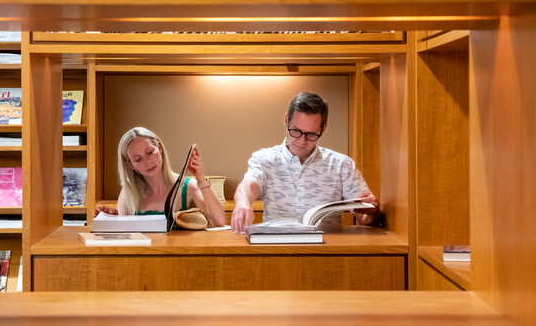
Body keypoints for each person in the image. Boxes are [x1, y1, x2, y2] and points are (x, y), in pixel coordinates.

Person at [231, 92, 380, 233]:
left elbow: (366, 220)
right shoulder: (264, 159)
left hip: (326, 250)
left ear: (323, 129)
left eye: (311, 134)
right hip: (276, 248)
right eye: (295, 131)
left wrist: (373, 211)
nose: (302, 141)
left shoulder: (342, 165)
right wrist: (243, 202)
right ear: (286, 120)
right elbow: (249, 185)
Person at [95, 127, 226, 227]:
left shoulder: (188, 186)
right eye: (138, 159)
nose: (148, 161)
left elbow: (219, 222)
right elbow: (124, 236)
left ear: (160, 149)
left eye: (150, 152)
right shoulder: (129, 192)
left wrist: (200, 178)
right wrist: (113, 220)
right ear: (131, 166)